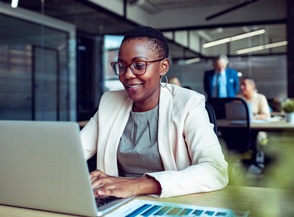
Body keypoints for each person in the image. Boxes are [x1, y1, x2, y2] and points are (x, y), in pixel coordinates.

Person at [80, 26, 228, 199]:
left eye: (139, 65)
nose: (127, 75)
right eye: (121, 66)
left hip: (170, 202)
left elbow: (215, 170)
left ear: (163, 67)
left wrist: (138, 185)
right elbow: (73, 153)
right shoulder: (110, 102)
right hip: (116, 202)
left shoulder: (188, 103)